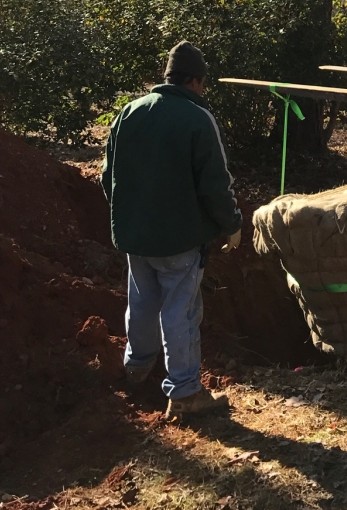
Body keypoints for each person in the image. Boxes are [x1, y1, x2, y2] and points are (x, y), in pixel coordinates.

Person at [101, 40, 242, 419]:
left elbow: (107, 176)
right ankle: (184, 392)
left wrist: (129, 215)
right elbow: (215, 183)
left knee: (142, 302)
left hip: (135, 237)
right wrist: (231, 224)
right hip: (180, 239)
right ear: (195, 81)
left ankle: (137, 370)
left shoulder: (129, 112)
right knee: (181, 311)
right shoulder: (197, 118)